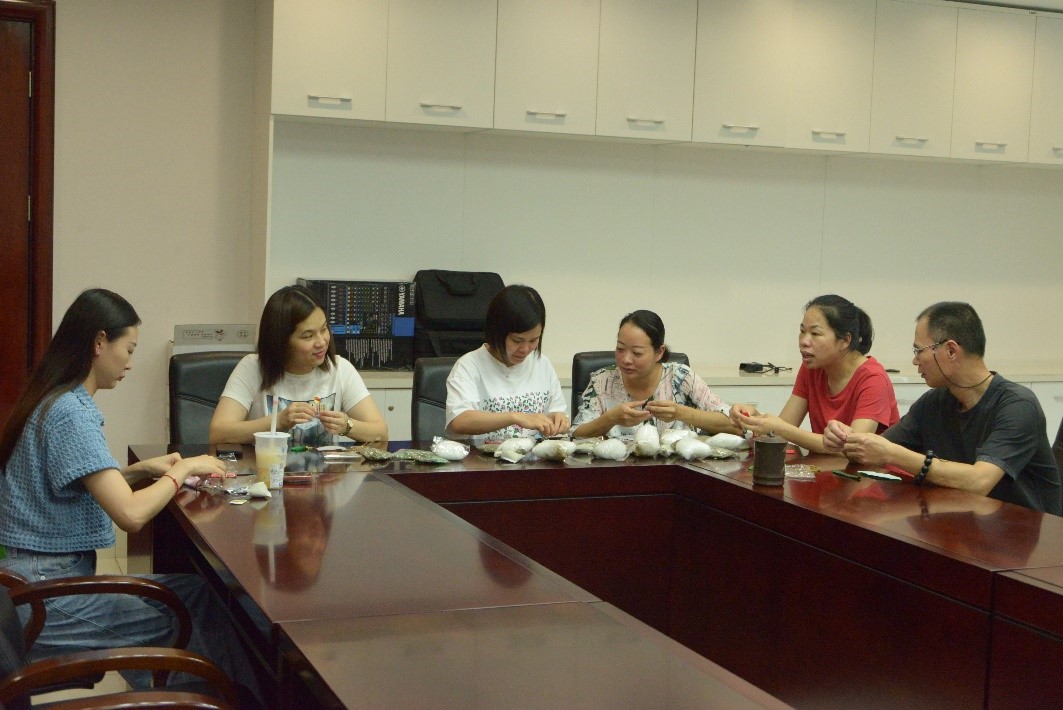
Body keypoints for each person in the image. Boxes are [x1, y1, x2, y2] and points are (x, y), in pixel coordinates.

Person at [0, 288, 262, 702]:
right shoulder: (70, 413)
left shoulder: (58, 399)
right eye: (129, 349)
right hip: (41, 595)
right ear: (99, 342)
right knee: (180, 621)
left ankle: (230, 697)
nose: (130, 362)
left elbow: (73, 480)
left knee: (196, 593)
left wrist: (139, 470)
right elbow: (131, 515)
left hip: (39, 580)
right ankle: (215, 699)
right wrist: (182, 469)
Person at [824, 302, 1062, 515]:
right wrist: (846, 440)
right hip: (963, 526)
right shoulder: (933, 402)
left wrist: (890, 454)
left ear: (951, 350)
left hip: (1024, 537)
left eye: (919, 350)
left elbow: (980, 481)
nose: (915, 360)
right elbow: (876, 451)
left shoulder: (1018, 406)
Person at [210, 285, 387, 446]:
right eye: (308, 336)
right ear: (281, 341)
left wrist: (347, 425)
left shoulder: (340, 369)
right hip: (265, 469)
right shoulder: (252, 368)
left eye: (324, 329)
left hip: (325, 471)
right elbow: (218, 433)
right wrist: (278, 421)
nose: (321, 342)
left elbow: (380, 432)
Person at [730, 295, 899, 454]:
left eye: (815, 334)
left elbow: (852, 449)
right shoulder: (812, 368)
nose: (804, 341)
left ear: (845, 340)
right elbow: (782, 429)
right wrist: (754, 418)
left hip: (873, 473)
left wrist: (781, 428)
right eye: (802, 331)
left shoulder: (873, 379)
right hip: (827, 469)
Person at [571, 310, 740, 439]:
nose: (626, 359)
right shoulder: (603, 380)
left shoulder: (681, 378)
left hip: (677, 471)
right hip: (617, 471)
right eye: (620, 349)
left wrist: (681, 413)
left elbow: (733, 424)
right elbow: (576, 433)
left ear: (659, 352)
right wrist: (610, 419)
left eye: (637, 353)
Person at [446, 284, 568, 446]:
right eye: (517, 340)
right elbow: (459, 421)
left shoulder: (542, 364)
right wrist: (515, 417)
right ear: (496, 332)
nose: (525, 349)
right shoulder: (469, 366)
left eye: (533, 340)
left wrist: (558, 421)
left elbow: (556, 412)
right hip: (483, 459)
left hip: (534, 458)